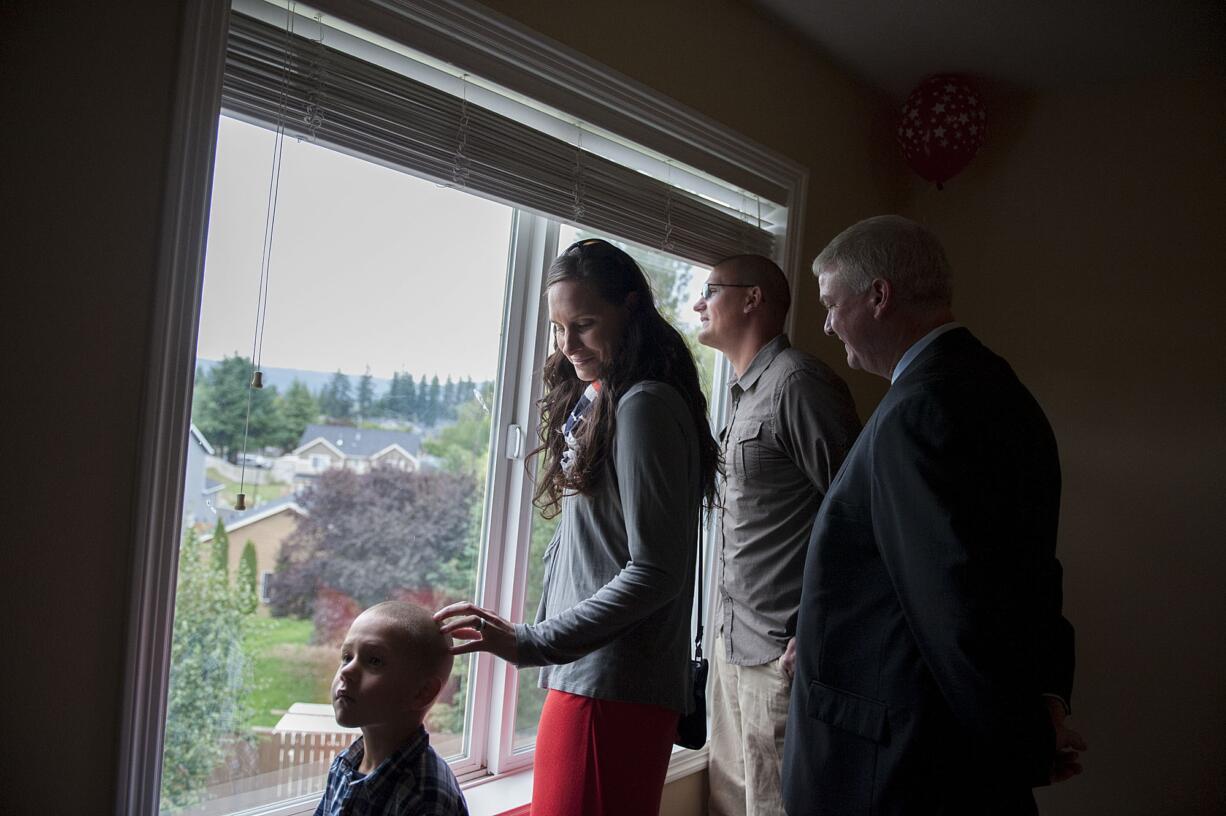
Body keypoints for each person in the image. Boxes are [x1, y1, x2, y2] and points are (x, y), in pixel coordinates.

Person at [783, 215, 1085, 816]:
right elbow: (1030, 575)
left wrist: (1021, 743)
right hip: (945, 746)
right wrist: (1046, 703)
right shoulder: (1005, 391)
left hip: (892, 764)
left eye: (830, 304)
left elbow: (953, 599)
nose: (826, 325)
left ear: (878, 296)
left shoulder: (918, 410)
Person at [435, 238, 720, 816]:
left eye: (585, 324)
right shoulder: (612, 399)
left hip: (610, 688)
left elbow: (656, 571)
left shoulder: (644, 405)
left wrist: (528, 640)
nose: (568, 347)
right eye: (559, 329)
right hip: (597, 681)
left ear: (632, 308)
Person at [693, 255, 860, 816]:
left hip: (780, 654)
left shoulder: (798, 385)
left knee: (778, 807)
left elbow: (861, 516)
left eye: (710, 290)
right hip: (730, 644)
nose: (698, 303)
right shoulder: (741, 396)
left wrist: (815, 631)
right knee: (729, 802)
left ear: (752, 299)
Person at [315, 601, 468, 816]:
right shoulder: (345, 765)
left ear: (421, 693)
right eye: (347, 657)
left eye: (374, 661)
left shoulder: (425, 798)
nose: (346, 671)